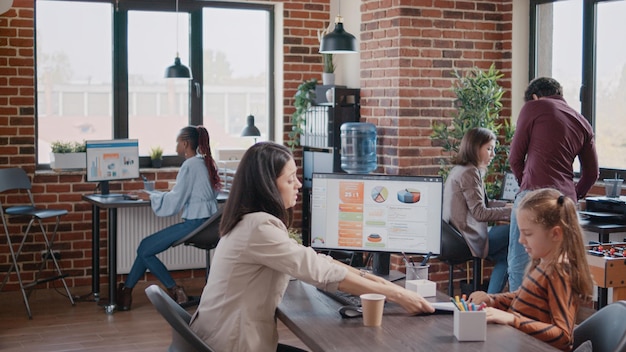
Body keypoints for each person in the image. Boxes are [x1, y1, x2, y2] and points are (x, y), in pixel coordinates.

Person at [189, 142, 434, 352]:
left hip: (216, 337)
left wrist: (379, 283)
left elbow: (316, 260)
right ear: (267, 186)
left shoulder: (250, 221)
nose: (297, 184)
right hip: (230, 344)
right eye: (289, 179)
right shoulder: (258, 227)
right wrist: (398, 295)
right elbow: (319, 271)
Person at [468, 188, 593, 351]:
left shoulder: (559, 272)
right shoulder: (542, 264)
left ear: (555, 234)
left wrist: (514, 320)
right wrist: (492, 300)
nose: (521, 240)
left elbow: (563, 336)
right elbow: (522, 296)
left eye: (528, 234)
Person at [507, 77, 599, 291]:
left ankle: (517, 322)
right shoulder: (583, 122)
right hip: (565, 204)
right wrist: (570, 197)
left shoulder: (534, 107)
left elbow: (514, 158)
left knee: (520, 266)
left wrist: (527, 185)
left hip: (533, 198)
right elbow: (592, 173)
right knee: (560, 269)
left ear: (535, 96)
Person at [116, 125, 221, 311]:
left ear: (185, 143)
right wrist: (156, 195)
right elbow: (188, 194)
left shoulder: (190, 165)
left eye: (177, 142)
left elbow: (175, 201)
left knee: (144, 248)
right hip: (209, 224)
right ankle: (126, 292)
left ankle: (175, 290)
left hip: (196, 224)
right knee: (145, 248)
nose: (176, 146)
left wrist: (150, 196)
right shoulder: (205, 162)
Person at [442, 127, 511, 293]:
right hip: (466, 238)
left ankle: (490, 300)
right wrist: (515, 212)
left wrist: (506, 206)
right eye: (489, 149)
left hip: (454, 236)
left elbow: (483, 203)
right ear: (474, 148)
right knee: (515, 232)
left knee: (506, 256)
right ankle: (493, 299)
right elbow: (480, 213)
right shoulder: (470, 173)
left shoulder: (460, 169)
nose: (493, 154)